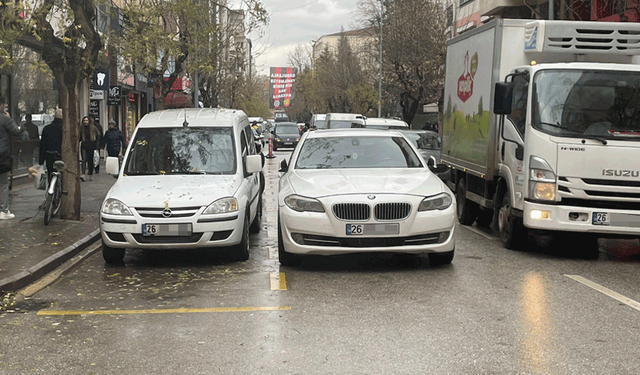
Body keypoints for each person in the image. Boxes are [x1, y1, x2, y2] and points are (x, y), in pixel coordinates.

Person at [0, 96, 28, 220]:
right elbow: (17, 131)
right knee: (3, 183)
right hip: (2, 155)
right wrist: (19, 124)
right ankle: (4, 210)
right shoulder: (5, 119)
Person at [39, 109, 63, 184]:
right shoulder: (65, 129)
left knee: (51, 174)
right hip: (62, 156)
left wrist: (41, 161)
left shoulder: (47, 128)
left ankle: (51, 189)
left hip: (50, 156)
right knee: (63, 175)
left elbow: (42, 145)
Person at [79, 116, 100, 181]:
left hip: (91, 146)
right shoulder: (81, 129)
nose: (85, 122)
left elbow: (98, 136)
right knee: (84, 160)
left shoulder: (93, 128)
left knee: (90, 161)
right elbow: (79, 138)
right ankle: (83, 174)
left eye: (86, 120)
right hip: (84, 146)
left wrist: (96, 146)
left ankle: (90, 174)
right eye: (84, 120)